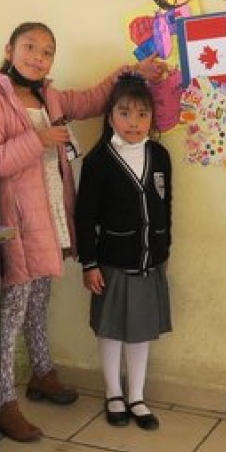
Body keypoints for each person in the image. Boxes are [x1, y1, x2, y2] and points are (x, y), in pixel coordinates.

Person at [0, 21, 162, 442]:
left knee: (40, 299)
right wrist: (38, 139)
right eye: (30, 47)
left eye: (47, 52)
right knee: (12, 313)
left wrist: (134, 72)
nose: (38, 57)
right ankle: (3, 402)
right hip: (19, 220)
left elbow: (93, 99)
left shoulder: (49, 95)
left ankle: (43, 373)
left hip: (50, 213)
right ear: (8, 49)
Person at [75, 73, 172, 431]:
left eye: (142, 114)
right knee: (112, 329)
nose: (134, 122)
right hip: (112, 262)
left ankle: (137, 396)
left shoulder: (159, 155)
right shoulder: (98, 160)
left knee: (141, 330)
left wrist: (164, 248)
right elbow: (84, 217)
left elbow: (166, 205)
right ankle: (113, 392)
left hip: (150, 261)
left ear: (152, 118)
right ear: (110, 116)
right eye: (125, 113)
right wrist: (89, 264)